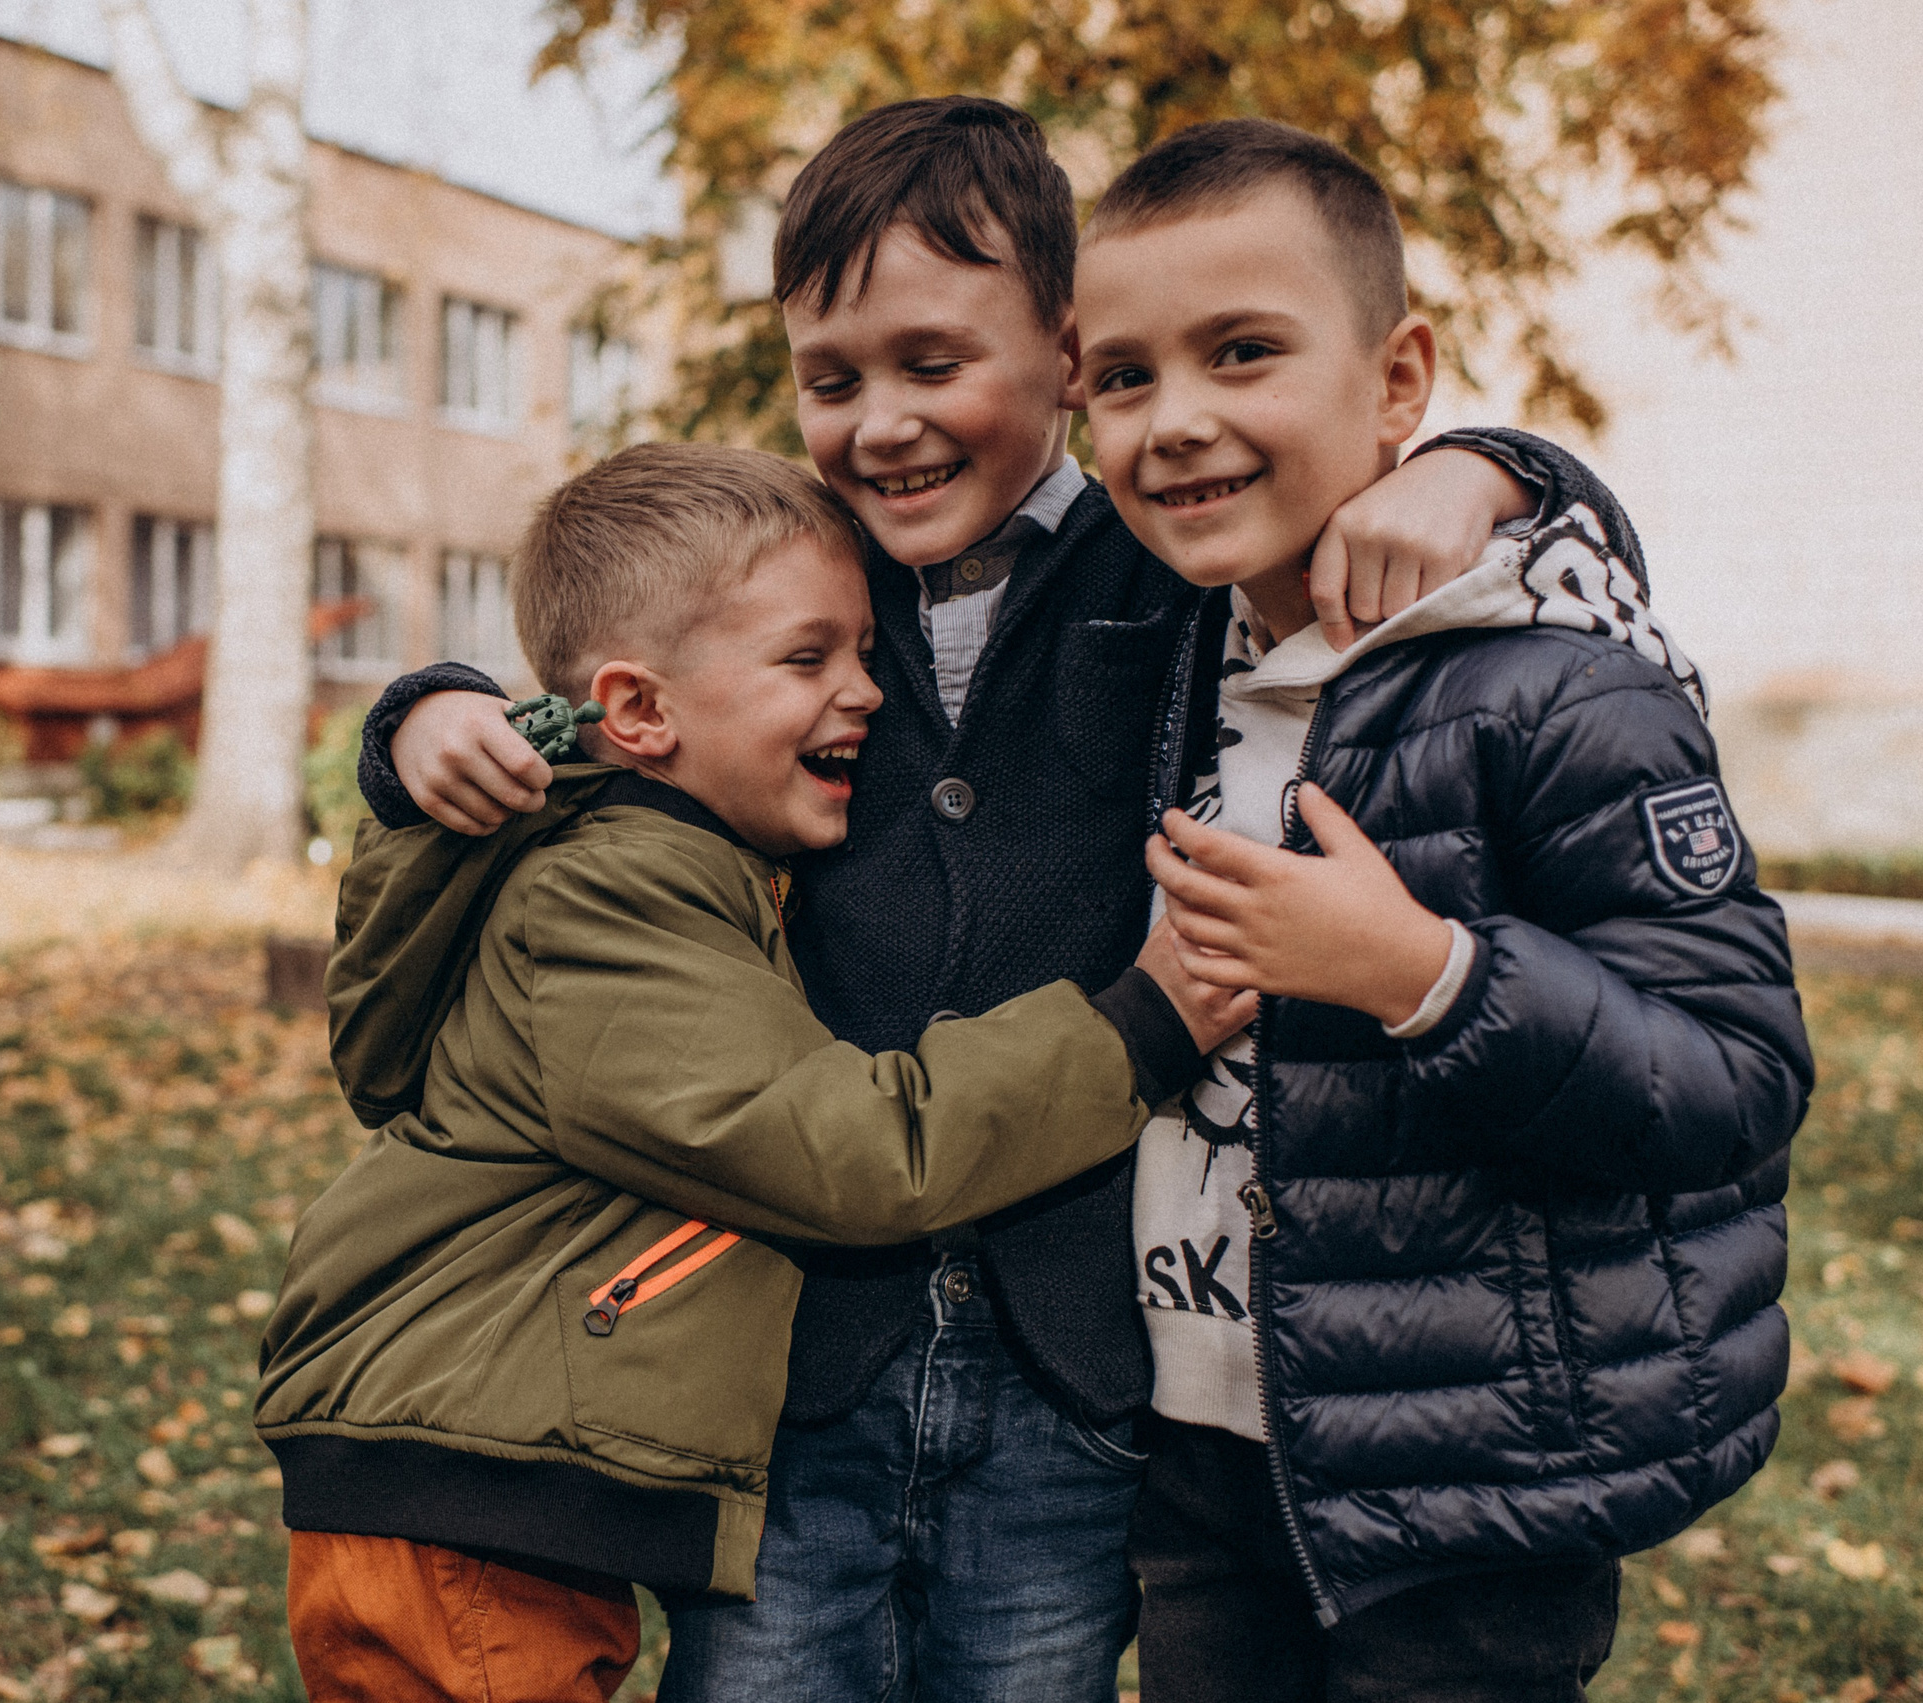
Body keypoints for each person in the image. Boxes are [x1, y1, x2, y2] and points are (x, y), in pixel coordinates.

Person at [353, 97, 1656, 1700]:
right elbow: (605, 666)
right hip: (795, 1352)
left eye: (930, 363)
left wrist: (1492, 468)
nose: (879, 423)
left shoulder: (1165, 557)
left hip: (1077, 1349)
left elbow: (1430, 519)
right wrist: (417, 708)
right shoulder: (795, 571)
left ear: (1065, 350)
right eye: (831, 381)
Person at [256, 442, 1248, 1703]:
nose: (867, 692)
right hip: (460, 1493)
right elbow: (847, 1148)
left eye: (865, 653)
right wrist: (1138, 1027)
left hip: (478, 1483)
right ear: (641, 710)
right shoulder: (607, 899)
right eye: (807, 658)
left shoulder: (656, 860)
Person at [1068, 117, 1812, 1702]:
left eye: (1243, 350)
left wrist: (1420, 972)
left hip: (1470, 1478)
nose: (1175, 420)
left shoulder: (1550, 685)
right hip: (1200, 1451)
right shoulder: (1160, 654)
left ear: (1401, 383)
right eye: (1121, 377)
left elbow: (1733, 1078)